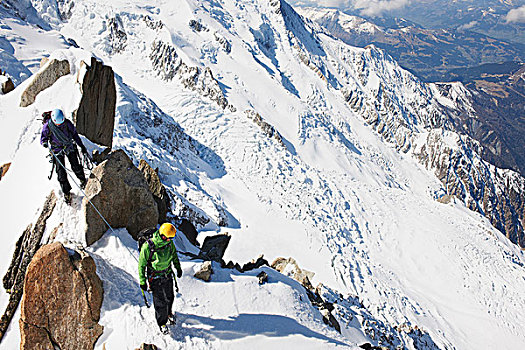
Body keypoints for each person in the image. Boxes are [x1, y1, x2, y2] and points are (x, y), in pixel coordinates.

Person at [138, 223, 183, 335]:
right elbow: (141, 265)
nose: (169, 240)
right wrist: (142, 281)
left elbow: (174, 255)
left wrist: (178, 267)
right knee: (160, 302)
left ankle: (168, 313)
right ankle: (162, 323)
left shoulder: (169, 244)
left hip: (167, 274)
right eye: (167, 238)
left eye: (171, 238)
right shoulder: (148, 246)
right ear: (162, 235)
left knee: (170, 296)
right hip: (155, 277)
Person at [40, 109, 87, 204]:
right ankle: (66, 192)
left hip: (69, 146)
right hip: (57, 151)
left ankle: (82, 180)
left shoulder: (67, 123)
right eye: (58, 124)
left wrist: (81, 145)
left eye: (61, 124)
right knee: (61, 173)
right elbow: (43, 138)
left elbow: (74, 135)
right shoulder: (48, 126)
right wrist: (44, 143)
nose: (59, 125)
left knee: (76, 165)